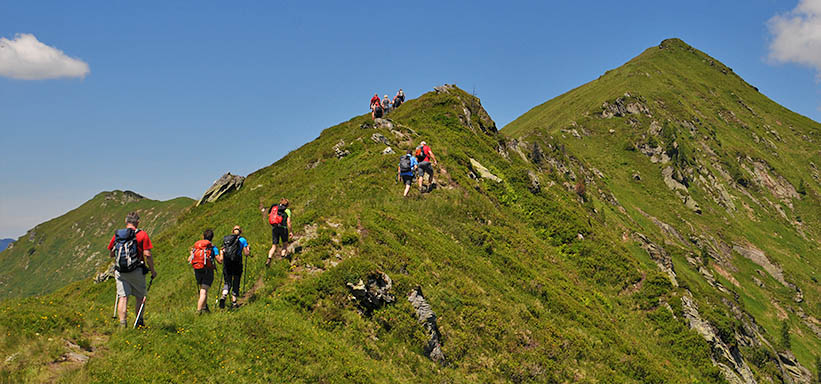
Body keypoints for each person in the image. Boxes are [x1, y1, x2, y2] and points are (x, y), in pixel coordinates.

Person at [108, 211, 156, 328]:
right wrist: (152, 270)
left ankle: (122, 324)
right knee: (140, 297)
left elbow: (111, 253)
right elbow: (147, 255)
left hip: (121, 271)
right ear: (137, 222)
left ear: (126, 221)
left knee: (123, 297)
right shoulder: (142, 235)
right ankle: (139, 322)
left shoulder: (118, 235)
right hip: (137, 270)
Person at [188, 229, 219, 314]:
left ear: (203, 236)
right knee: (204, 290)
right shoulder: (212, 247)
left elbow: (189, 259)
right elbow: (219, 260)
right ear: (212, 237)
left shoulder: (197, 247)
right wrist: (222, 253)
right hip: (207, 270)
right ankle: (198, 311)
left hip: (197, 269)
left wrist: (191, 253)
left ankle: (205, 308)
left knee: (202, 289)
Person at [219, 225, 250, 309]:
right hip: (237, 263)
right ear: (241, 232)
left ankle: (224, 295)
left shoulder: (227, 240)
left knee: (227, 282)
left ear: (232, 231)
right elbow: (246, 253)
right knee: (236, 281)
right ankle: (234, 302)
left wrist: (222, 258)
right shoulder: (242, 240)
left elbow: (222, 250)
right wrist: (248, 248)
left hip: (227, 263)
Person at [265, 198, 293, 267]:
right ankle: (283, 258)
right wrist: (291, 231)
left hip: (275, 228)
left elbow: (269, 215)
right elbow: (288, 222)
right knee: (285, 244)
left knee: (274, 246)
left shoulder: (275, 208)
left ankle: (269, 259)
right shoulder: (287, 211)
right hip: (283, 229)